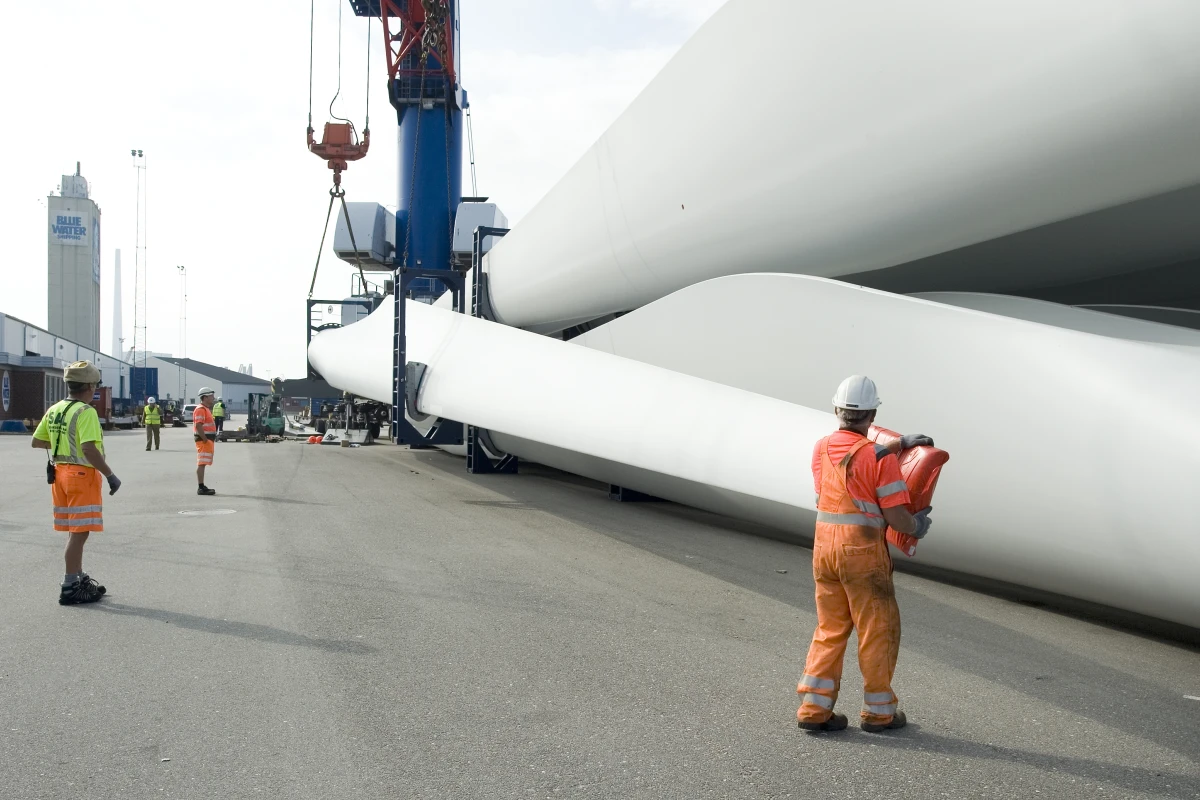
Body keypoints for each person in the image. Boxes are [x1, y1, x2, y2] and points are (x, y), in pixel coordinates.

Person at [796, 375, 933, 734]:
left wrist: (897, 445)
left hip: (824, 549)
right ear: (872, 414)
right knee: (877, 628)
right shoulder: (880, 458)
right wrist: (915, 526)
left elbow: (848, 467)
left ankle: (814, 708)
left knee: (831, 627)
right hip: (861, 553)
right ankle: (878, 712)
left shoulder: (821, 447)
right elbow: (896, 517)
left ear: (837, 409)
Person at [30, 361, 121, 605]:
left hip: (60, 474)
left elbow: (37, 441)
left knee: (75, 531)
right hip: (81, 476)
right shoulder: (85, 411)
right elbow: (89, 449)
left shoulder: (56, 409)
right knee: (80, 533)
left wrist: (63, 444)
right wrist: (109, 474)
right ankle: (70, 585)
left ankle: (77, 578)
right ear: (90, 386)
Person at [194, 387, 218, 495]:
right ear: (205, 397)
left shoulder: (205, 409)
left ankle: (202, 486)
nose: (213, 398)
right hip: (204, 440)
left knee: (203, 463)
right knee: (201, 463)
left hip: (207, 440)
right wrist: (204, 439)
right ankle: (201, 487)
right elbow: (198, 425)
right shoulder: (201, 409)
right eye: (211, 396)